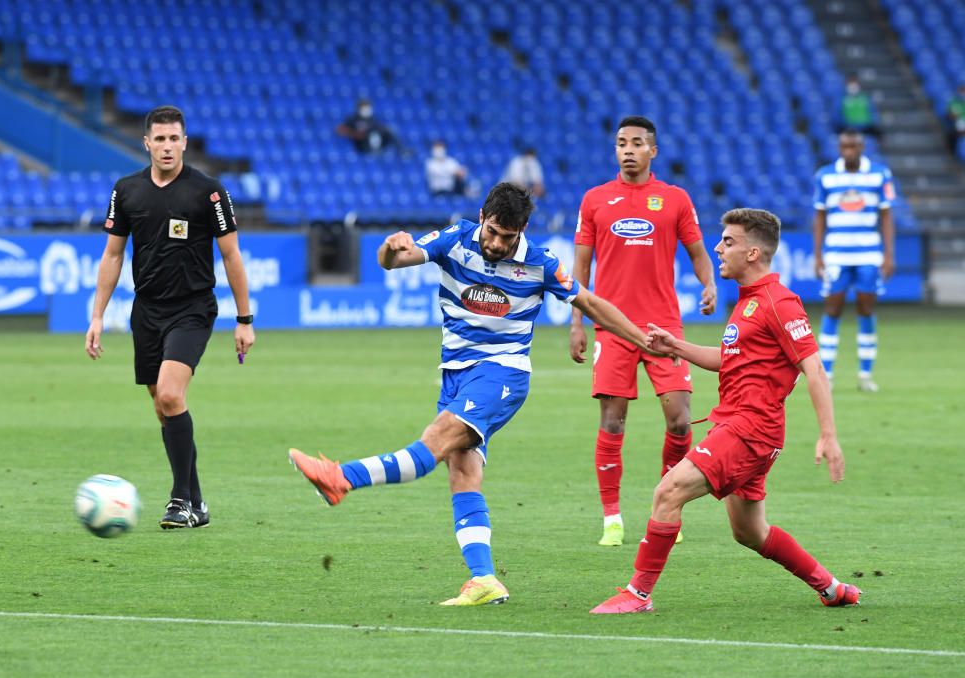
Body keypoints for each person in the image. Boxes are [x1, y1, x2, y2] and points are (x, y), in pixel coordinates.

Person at [288, 183, 666, 606]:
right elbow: (394, 262)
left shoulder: (540, 263)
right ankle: (485, 579)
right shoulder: (455, 238)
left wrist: (641, 339)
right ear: (482, 216)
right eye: (492, 232)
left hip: (502, 375)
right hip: (456, 374)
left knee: (431, 445)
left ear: (522, 231)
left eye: (508, 237)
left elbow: (592, 304)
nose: (497, 243)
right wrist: (390, 248)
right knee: (462, 473)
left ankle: (342, 479)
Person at [590, 208, 859, 614]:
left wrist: (829, 434)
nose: (717, 247)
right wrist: (675, 347)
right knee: (749, 532)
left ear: (753, 253)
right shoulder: (750, 301)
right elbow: (731, 358)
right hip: (744, 428)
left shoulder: (779, 302)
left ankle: (637, 594)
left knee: (668, 491)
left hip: (750, 431)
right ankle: (831, 587)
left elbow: (814, 367)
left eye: (728, 242)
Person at [85, 105, 255, 529]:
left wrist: (245, 318)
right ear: (146, 143)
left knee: (170, 396)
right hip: (146, 311)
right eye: (158, 139)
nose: (166, 146)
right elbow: (112, 255)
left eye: (173, 138)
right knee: (164, 409)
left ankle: (179, 500)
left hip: (193, 308)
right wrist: (96, 317)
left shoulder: (208, 192)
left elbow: (231, 254)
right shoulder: (126, 191)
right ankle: (196, 503)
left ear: (184, 141)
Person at [569, 115, 716, 547]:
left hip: (664, 329)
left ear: (653, 150)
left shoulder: (673, 199)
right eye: (621, 143)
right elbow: (579, 268)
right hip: (612, 327)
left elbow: (698, 253)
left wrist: (708, 284)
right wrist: (577, 322)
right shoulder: (595, 199)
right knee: (613, 424)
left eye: (636, 143)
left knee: (680, 420)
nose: (628, 149)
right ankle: (612, 518)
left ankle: (668, 502)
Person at [812, 129, 895, 392]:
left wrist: (889, 255)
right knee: (833, 309)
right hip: (836, 254)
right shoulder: (825, 176)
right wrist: (818, 256)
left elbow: (886, 216)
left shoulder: (879, 174)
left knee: (866, 309)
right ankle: (827, 374)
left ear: (862, 147)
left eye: (854, 146)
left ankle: (865, 374)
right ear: (839, 148)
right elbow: (820, 218)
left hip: (869, 254)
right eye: (845, 146)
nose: (849, 151)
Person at [336, 98, 403, 154]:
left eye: (368, 108)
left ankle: (401, 150)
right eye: (364, 108)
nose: (367, 110)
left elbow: (379, 128)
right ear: (359, 109)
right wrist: (356, 134)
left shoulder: (372, 119)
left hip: (375, 141)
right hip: (361, 144)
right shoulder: (353, 119)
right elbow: (340, 130)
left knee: (388, 130)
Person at [836, 74, 882, 139]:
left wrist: (870, 123)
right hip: (849, 128)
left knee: (878, 133)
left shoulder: (865, 98)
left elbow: (873, 113)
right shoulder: (841, 99)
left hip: (865, 127)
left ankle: (873, 148)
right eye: (850, 82)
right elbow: (837, 116)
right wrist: (847, 124)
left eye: (854, 82)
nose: (853, 85)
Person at [945, 83, 965, 156]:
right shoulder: (954, 102)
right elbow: (951, 115)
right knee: (952, 133)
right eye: (962, 90)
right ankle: (952, 152)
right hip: (957, 125)